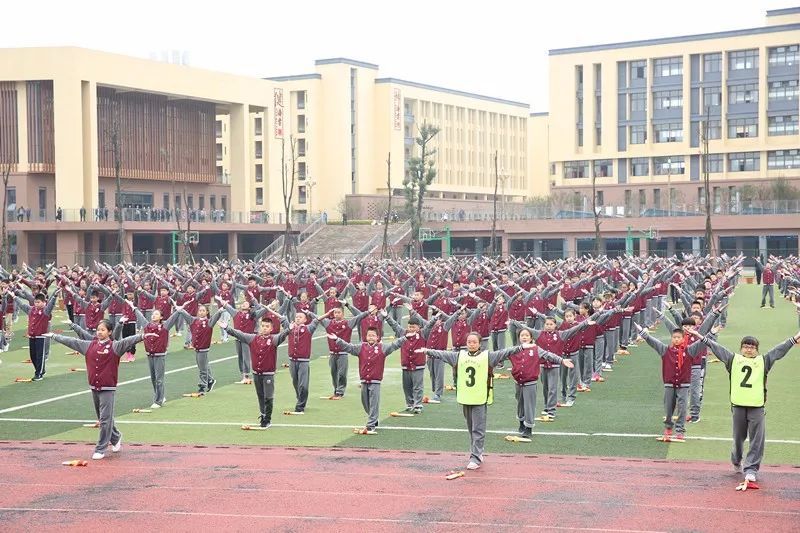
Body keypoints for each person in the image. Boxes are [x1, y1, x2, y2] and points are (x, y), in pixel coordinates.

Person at [417, 332, 537, 470]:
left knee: (477, 429)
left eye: (474, 342)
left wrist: (521, 347)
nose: (472, 344)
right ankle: (477, 452)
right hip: (465, 397)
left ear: (480, 344)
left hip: (480, 398)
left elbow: (505, 352)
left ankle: (475, 456)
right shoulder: (459, 356)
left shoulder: (487, 356)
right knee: (470, 428)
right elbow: (442, 354)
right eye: (469, 342)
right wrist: (427, 350)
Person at [696, 328, 800, 487]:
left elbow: (779, 349)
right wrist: (700, 336)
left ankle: (751, 469)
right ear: (741, 348)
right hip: (738, 406)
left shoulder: (763, 361)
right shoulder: (733, 359)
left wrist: (795, 337)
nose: (748, 349)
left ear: (757, 350)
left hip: (757, 407)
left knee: (757, 439)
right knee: (738, 438)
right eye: (745, 346)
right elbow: (717, 348)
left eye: (752, 347)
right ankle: (736, 459)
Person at [44, 320, 152, 459]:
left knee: (105, 419)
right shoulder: (89, 345)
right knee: (102, 418)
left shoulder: (115, 346)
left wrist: (142, 336)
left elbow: (127, 341)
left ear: (109, 332)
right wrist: (54, 336)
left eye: (102, 330)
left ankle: (100, 449)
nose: (99, 332)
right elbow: (72, 342)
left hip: (108, 387)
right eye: (98, 330)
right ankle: (116, 437)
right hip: (94, 386)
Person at [327, 326, 407, 434]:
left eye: (373, 335)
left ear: (377, 337)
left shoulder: (382, 348)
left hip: (375, 381)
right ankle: (373, 419)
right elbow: (348, 347)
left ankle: (370, 425)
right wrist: (337, 339)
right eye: (369, 335)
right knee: (365, 402)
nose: (371, 337)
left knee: (374, 403)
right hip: (364, 380)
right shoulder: (361, 347)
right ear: (366, 336)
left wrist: (405, 337)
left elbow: (395, 345)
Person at [635, 323, 707, 442]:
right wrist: (643, 333)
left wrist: (709, 333)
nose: (676, 339)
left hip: (683, 385)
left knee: (682, 408)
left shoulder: (689, 350)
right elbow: (654, 342)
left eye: (679, 337)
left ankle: (680, 430)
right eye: (674, 337)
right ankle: (668, 426)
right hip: (669, 384)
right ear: (671, 338)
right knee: (668, 408)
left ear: (684, 339)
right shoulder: (665, 350)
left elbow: (702, 343)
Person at [223, 317, 290, 429]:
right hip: (256, 374)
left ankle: (267, 419)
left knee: (268, 397)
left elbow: (282, 336)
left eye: (267, 326)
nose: (264, 328)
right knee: (260, 396)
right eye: (263, 326)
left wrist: (288, 330)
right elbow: (239, 334)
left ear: (271, 328)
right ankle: (263, 415)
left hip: (268, 374)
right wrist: (227, 328)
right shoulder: (252, 338)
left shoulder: (273, 339)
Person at [13, 290, 58, 381]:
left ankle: (39, 374)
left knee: (39, 356)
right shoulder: (31, 309)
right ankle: (41, 369)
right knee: (33, 355)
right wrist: (14, 297)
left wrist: (54, 296)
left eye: (38, 302)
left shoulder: (45, 311)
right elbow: (22, 305)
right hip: (32, 336)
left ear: (44, 302)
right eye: (35, 302)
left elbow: (51, 305)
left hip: (40, 336)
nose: (36, 304)